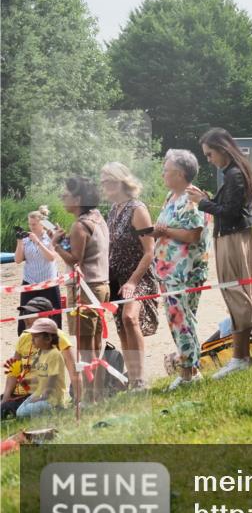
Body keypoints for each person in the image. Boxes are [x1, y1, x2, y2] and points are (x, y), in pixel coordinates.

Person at [188, 128, 252, 381]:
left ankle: (240, 358)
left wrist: (202, 202)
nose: (209, 160)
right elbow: (228, 207)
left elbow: (229, 212)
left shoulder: (234, 174)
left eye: (210, 154)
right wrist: (206, 199)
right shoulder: (233, 173)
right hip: (232, 238)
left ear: (222, 149)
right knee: (237, 295)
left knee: (237, 295)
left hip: (233, 239)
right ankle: (241, 357)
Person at [152, 150, 210, 390]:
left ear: (179, 174)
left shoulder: (191, 197)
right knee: (179, 320)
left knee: (181, 321)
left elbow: (193, 234)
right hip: (168, 272)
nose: (163, 174)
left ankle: (188, 373)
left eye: (166, 170)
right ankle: (192, 370)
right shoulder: (170, 196)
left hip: (184, 273)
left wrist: (164, 232)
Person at [50, 176, 109, 402]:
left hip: (85, 289)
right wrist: (65, 240)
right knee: (96, 343)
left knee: (85, 346)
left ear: (78, 199)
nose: (62, 197)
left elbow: (75, 260)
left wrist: (56, 245)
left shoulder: (79, 225)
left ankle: (88, 399)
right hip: (100, 285)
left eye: (66, 194)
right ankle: (97, 395)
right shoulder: (97, 218)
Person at [100, 162, 158, 390]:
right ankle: (133, 379)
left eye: (107, 182)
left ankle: (141, 377)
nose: (104, 186)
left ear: (120, 181)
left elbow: (150, 251)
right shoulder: (113, 210)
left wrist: (133, 281)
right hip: (116, 277)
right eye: (102, 182)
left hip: (139, 276)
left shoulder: (138, 209)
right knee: (121, 327)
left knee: (130, 318)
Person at [3, 297, 76, 418]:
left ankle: (55, 410)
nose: (25, 317)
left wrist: (78, 401)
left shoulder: (59, 337)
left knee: (17, 412)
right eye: (25, 312)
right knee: (5, 408)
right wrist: (6, 397)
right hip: (21, 393)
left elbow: (73, 371)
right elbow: (13, 371)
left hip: (41, 394)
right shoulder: (24, 337)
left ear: (45, 316)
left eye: (30, 313)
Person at [14, 206, 61, 334]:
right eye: (29, 224)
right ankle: (24, 339)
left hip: (49, 281)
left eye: (34, 224)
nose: (31, 227)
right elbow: (18, 260)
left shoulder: (50, 236)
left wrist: (37, 242)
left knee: (53, 313)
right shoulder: (26, 238)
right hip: (30, 281)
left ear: (42, 224)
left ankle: (54, 338)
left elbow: (51, 257)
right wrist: (19, 242)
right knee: (25, 314)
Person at [15, 318, 71, 418]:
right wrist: (28, 381)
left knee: (22, 413)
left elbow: (52, 380)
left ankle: (57, 409)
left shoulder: (54, 355)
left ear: (48, 339)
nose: (32, 340)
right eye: (32, 337)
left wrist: (42, 397)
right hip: (41, 393)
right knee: (19, 411)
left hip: (52, 398)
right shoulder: (40, 354)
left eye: (35, 337)